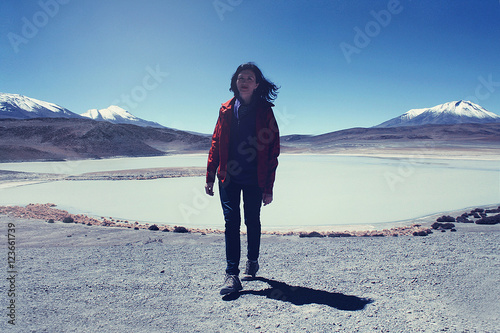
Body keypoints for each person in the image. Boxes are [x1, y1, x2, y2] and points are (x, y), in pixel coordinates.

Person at [205, 62, 280, 295]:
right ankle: (231, 275)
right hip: (228, 176)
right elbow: (216, 142)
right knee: (231, 222)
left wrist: (268, 187)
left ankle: (253, 259)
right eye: (240, 78)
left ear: (257, 84)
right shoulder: (226, 110)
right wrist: (209, 175)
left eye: (249, 78)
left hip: (254, 177)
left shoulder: (265, 111)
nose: (244, 81)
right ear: (234, 83)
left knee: (252, 220)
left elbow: (272, 150)